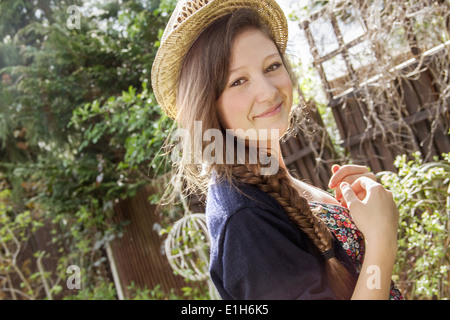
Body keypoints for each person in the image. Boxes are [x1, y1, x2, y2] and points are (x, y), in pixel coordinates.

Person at [151, 0, 403, 300]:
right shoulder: (244, 219)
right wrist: (381, 238)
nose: (269, 91)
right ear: (208, 103)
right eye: (238, 81)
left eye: (272, 66)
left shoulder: (271, 181)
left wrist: (360, 213)